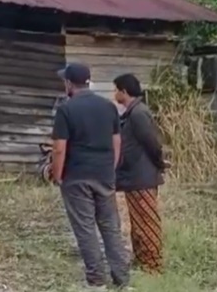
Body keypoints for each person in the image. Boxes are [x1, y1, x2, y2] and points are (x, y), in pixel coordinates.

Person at [52, 63, 130, 289]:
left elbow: (59, 148)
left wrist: (58, 175)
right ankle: (122, 280)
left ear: (68, 83)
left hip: (77, 177)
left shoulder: (66, 109)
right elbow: (117, 142)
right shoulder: (108, 107)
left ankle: (96, 280)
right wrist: (109, 169)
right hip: (104, 175)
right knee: (110, 227)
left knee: (85, 229)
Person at [114, 73, 166, 275]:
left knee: (147, 221)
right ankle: (143, 260)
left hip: (142, 176)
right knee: (138, 222)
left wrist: (160, 163)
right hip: (134, 176)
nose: (114, 93)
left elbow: (152, 143)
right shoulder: (131, 113)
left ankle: (153, 265)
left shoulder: (138, 114)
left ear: (124, 91)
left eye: (116, 89)